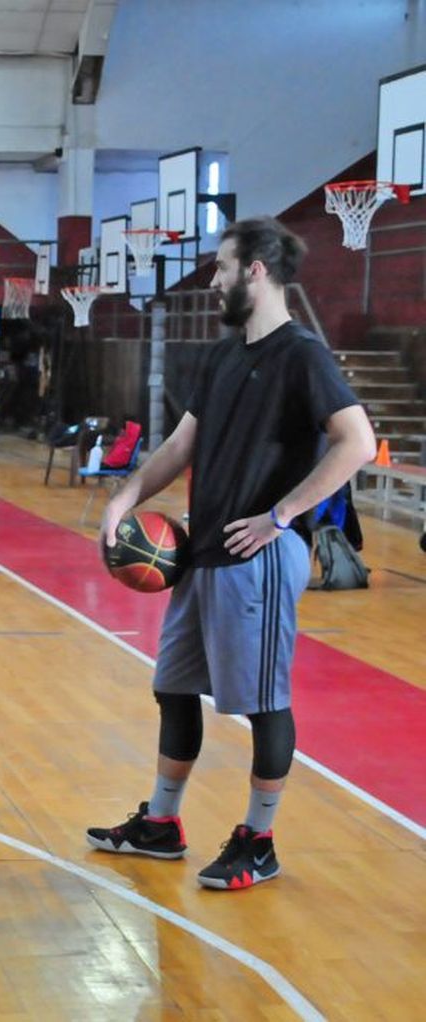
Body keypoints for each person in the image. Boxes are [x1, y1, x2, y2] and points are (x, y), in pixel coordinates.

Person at [87, 218, 375, 890]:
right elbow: (183, 444)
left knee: (264, 702)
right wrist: (125, 495)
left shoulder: (302, 355)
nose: (212, 279)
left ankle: (260, 839)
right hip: (205, 553)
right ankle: (162, 824)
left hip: (260, 559)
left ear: (255, 270)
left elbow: (356, 442)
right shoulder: (222, 355)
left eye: (220, 267)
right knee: (173, 685)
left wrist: (282, 515)